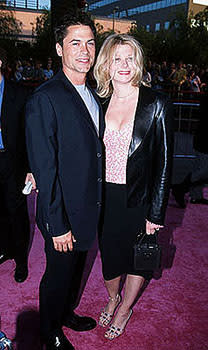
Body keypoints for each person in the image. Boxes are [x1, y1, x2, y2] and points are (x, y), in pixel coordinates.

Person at [25, 13, 104, 350]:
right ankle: (49, 329)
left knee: (76, 268)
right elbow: (44, 167)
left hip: (88, 203)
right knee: (57, 274)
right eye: (75, 43)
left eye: (89, 42)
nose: (84, 50)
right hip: (61, 211)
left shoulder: (94, 93)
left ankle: (65, 312)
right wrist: (56, 225)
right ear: (59, 49)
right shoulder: (46, 97)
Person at [94, 34, 174, 340]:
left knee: (137, 257)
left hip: (139, 197)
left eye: (130, 58)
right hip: (104, 197)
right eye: (117, 59)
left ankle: (125, 307)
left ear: (138, 62)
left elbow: (165, 163)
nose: (124, 65)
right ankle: (112, 297)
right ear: (107, 64)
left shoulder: (157, 103)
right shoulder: (96, 99)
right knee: (110, 256)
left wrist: (156, 212)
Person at [0, 44, 34, 282]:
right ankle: (5, 250)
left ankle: (21, 260)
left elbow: (29, 134)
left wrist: (30, 168)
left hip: (13, 163)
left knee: (17, 214)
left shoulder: (21, 94)